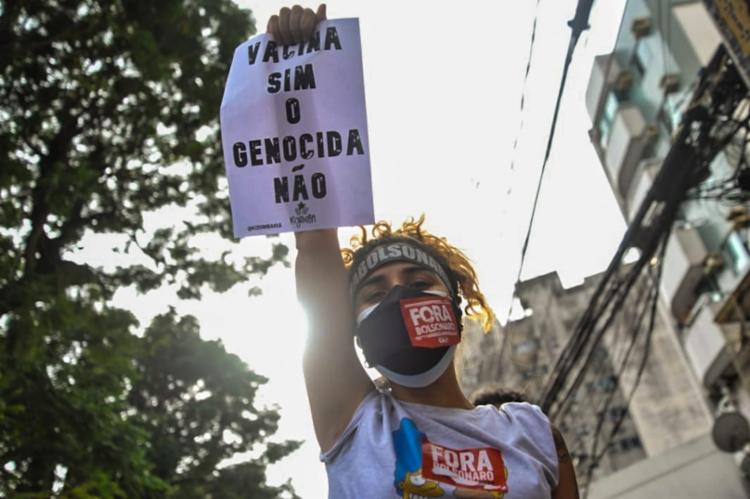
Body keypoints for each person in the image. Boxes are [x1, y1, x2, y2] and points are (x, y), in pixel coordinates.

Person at [266, 6, 580, 498]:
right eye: (375, 289)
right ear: (346, 322)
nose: (398, 297)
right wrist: (300, 78)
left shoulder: (535, 433)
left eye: (418, 283)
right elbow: (313, 244)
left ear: (455, 304)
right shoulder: (353, 419)